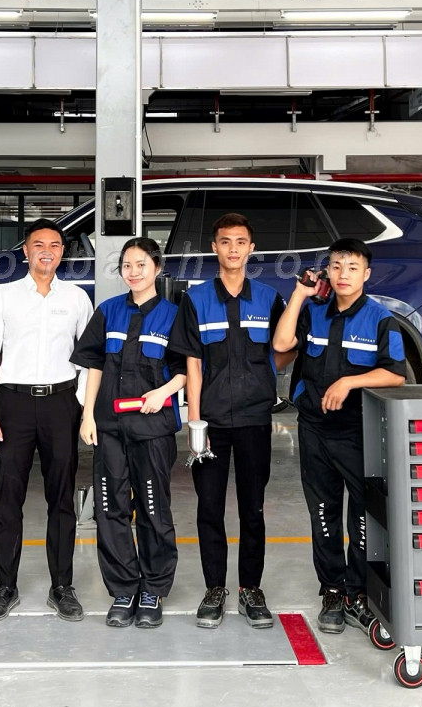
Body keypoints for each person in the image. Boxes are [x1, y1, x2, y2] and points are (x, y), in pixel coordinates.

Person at [271, 237, 406, 637]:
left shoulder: (381, 319)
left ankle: (356, 593)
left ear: (366, 273)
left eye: (352, 267)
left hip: (358, 430)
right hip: (314, 428)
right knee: (323, 513)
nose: (343, 274)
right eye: (336, 266)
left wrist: (349, 381)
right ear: (326, 271)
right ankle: (331, 590)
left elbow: (395, 374)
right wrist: (300, 294)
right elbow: (281, 345)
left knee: (362, 515)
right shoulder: (314, 312)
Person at [167, 212, 289, 630]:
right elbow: (192, 363)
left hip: (255, 419)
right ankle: (214, 589)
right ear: (214, 248)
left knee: (253, 509)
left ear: (251, 249)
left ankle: (251, 589)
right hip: (212, 422)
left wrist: (265, 372)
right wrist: (194, 423)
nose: (233, 249)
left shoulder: (269, 298)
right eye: (225, 241)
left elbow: (285, 346)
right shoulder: (196, 300)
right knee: (209, 508)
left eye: (240, 242)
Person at [0, 218, 93, 623]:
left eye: (54, 245)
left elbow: (88, 357)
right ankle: (6, 586)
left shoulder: (76, 298)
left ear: (62, 252)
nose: (47, 251)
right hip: (13, 406)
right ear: (25, 252)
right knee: (8, 499)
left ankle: (62, 587)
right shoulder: (3, 297)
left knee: (61, 499)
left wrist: (79, 405)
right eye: (38, 245)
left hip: (61, 403)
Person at [72, 237, 186, 629]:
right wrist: (88, 416)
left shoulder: (173, 315)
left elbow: (187, 369)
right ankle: (124, 589)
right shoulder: (108, 311)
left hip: (152, 428)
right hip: (109, 426)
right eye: (127, 266)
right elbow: (94, 365)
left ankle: (153, 588)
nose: (133, 272)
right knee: (111, 508)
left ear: (157, 268)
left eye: (141, 265)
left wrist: (163, 392)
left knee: (153, 509)